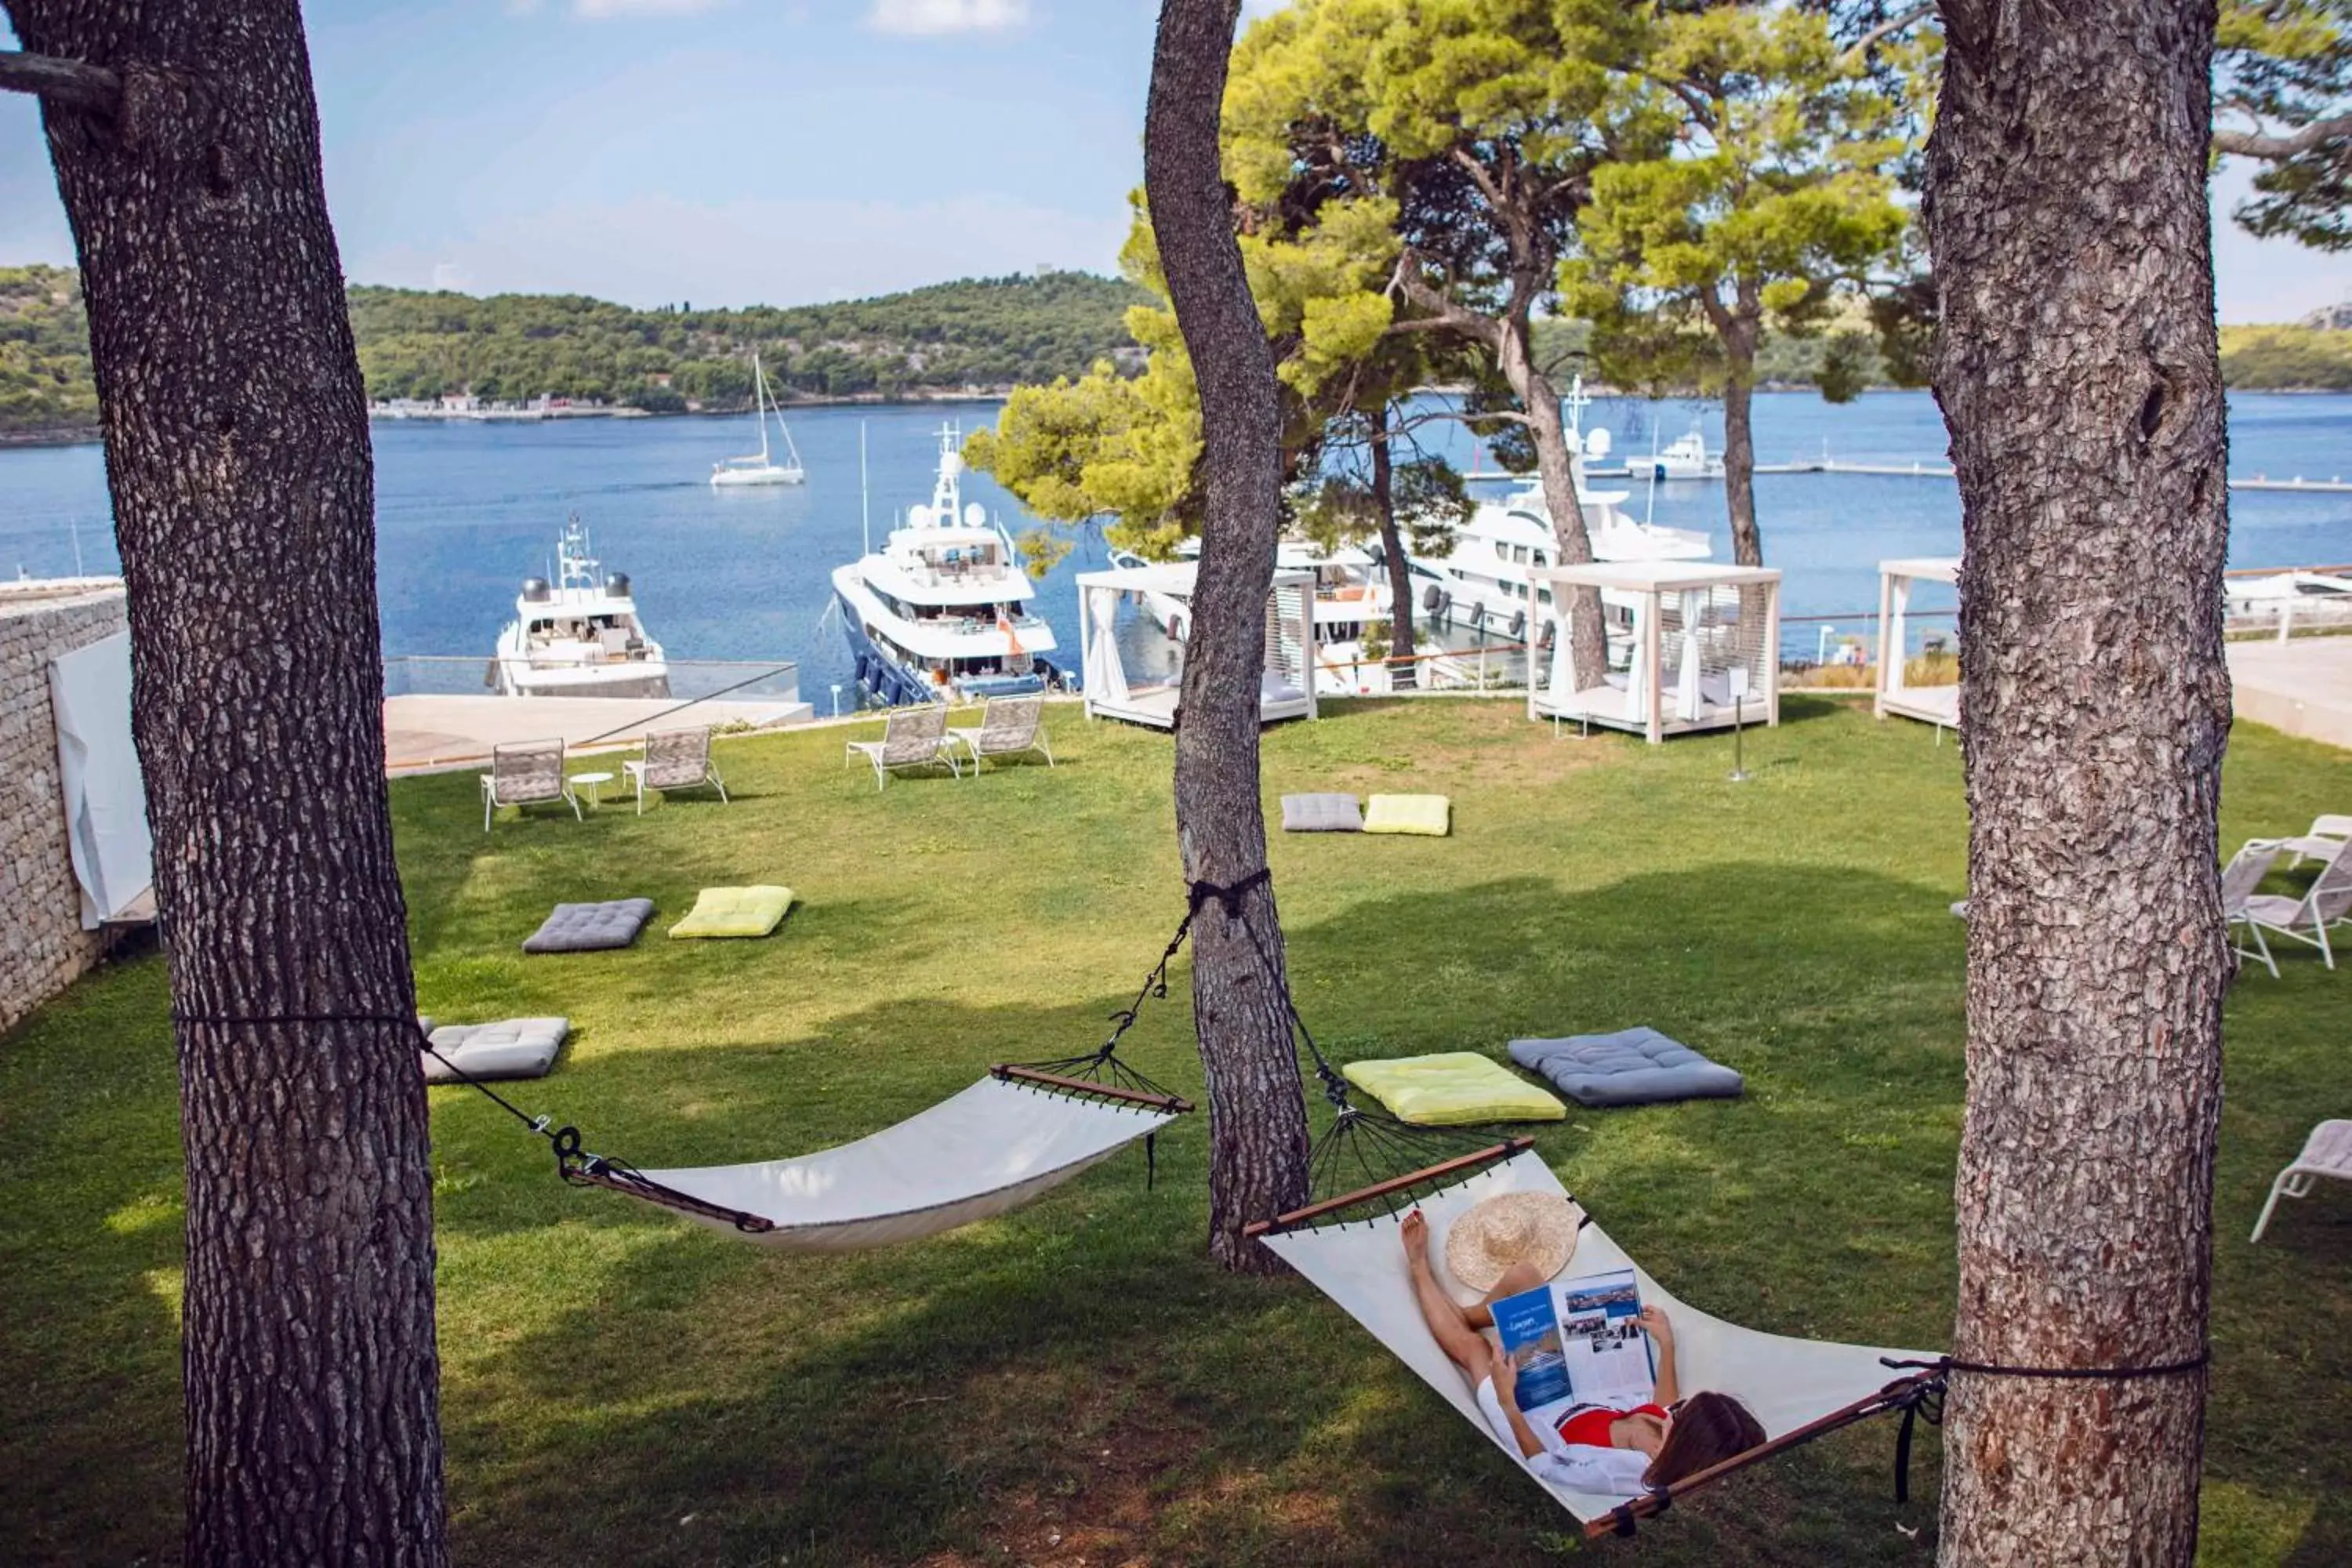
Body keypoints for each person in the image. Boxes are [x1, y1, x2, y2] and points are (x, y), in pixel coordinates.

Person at [1400, 1209, 1765, 1497]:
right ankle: (1460, 1315)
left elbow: (1545, 1466)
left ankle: (1420, 1270)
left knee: (1477, 1349)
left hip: (1533, 1416)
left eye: (1682, 1413)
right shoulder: (1666, 1435)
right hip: (1579, 1391)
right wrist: (1666, 1345)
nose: (1676, 1407)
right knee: (1527, 1278)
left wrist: (1509, 1401)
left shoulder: (1624, 1474)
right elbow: (1662, 1405)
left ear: (1687, 1442)